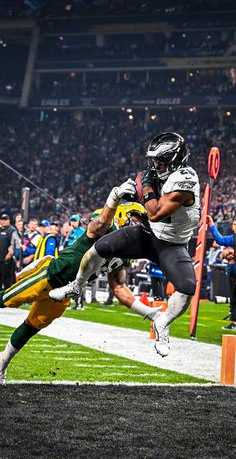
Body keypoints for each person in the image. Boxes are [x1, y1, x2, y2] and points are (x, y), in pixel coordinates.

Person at [50, 132, 200, 357]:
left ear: (175, 158)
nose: (156, 164)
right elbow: (143, 199)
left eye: (161, 159)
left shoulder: (186, 178)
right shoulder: (157, 175)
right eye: (154, 159)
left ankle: (163, 322)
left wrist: (146, 189)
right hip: (147, 234)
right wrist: (125, 194)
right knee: (99, 248)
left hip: (171, 244)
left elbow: (156, 212)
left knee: (187, 287)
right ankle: (77, 285)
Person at [0, 179, 160, 384]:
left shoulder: (126, 253)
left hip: (65, 293)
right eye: (135, 220)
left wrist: (149, 312)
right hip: (50, 276)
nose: (138, 227)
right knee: (6, 299)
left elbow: (119, 287)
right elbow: (99, 224)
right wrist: (114, 198)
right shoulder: (106, 224)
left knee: (32, 326)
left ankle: (2, 364)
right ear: (123, 216)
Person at [207, 215, 236, 330]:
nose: (235, 226)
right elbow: (220, 240)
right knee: (233, 298)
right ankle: (234, 323)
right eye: (234, 224)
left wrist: (231, 252)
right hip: (232, 273)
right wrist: (211, 225)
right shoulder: (233, 238)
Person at [0, 213, 16, 289]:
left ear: (9, 220)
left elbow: (13, 245)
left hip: (7, 260)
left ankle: (7, 297)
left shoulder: (12, 230)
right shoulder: (0, 229)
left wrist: (8, 256)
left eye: (6, 220)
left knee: (7, 279)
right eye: (2, 220)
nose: (4, 221)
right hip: (0, 259)